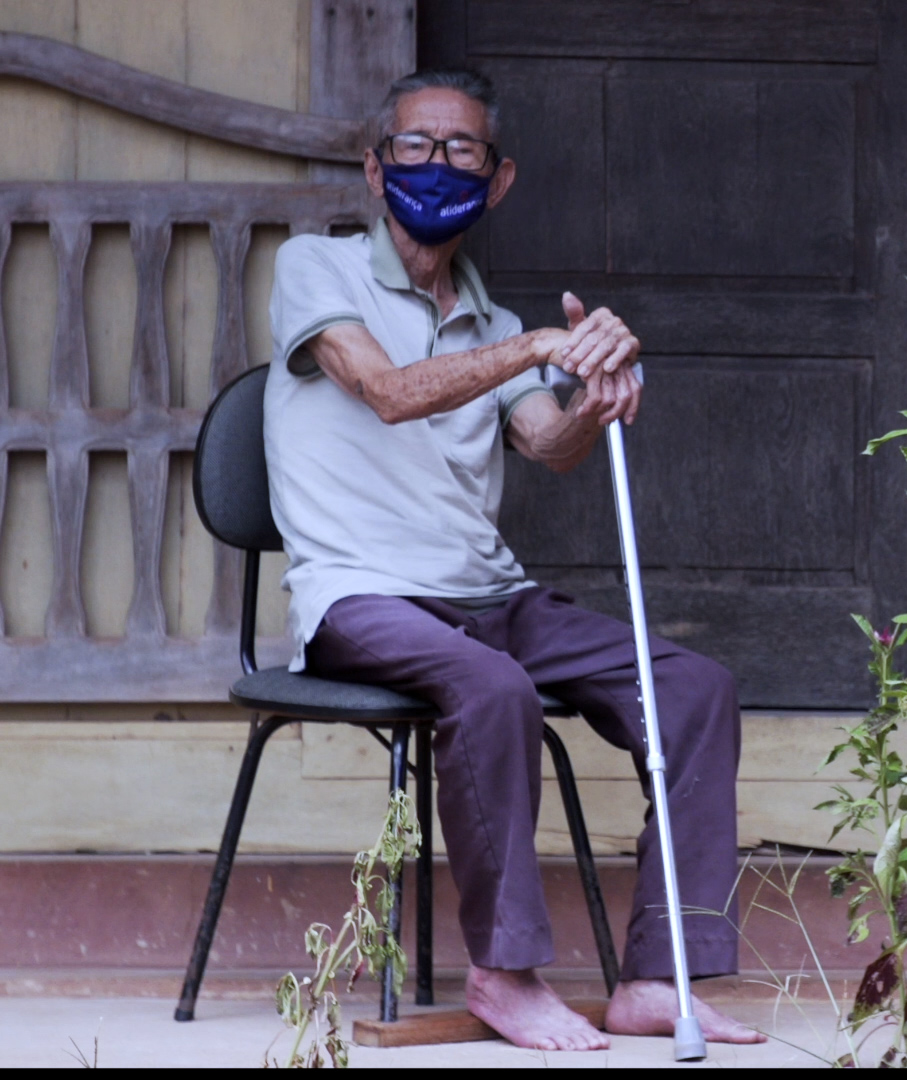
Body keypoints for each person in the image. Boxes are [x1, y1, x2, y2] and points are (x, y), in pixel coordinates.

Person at [263, 68, 765, 1052]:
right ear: (375, 166)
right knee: (491, 690)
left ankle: (660, 981)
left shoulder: (491, 324)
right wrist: (543, 343)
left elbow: (547, 444)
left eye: (462, 151)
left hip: (491, 595)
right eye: (414, 145)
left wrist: (592, 398)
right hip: (362, 596)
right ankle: (502, 973)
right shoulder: (314, 270)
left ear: (497, 181)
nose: (436, 164)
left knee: (696, 687)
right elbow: (391, 390)